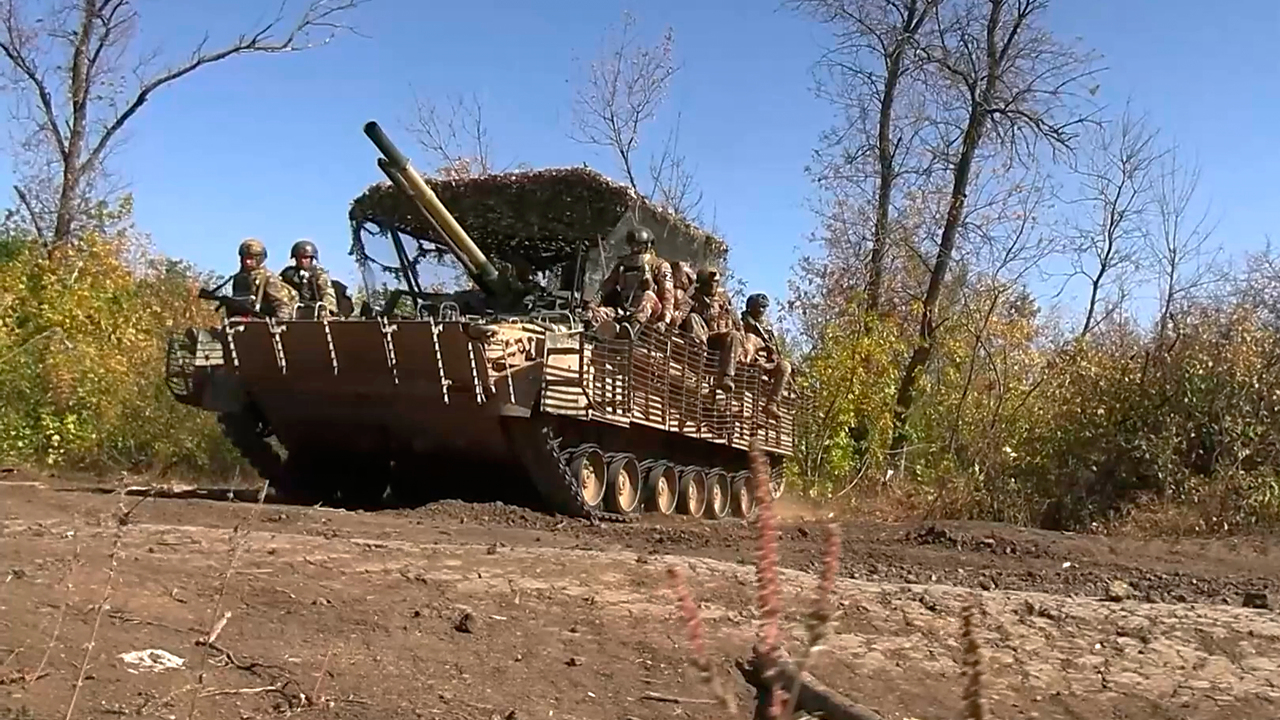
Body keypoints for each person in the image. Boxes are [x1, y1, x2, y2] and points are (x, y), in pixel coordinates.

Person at [586, 225, 675, 337]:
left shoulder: (659, 265)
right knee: (599, 313)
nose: (634, 249)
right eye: (632, 245)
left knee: (648, 296)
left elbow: (668, 295)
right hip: (624, 309)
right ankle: (595, 333)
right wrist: (592, 306)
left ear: (647, 246)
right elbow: (606, 287)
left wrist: (665, 321)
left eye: (638, 246)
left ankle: (631, 333)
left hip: (650, 315)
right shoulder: (622, 265)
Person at [682, 267, 744, 396]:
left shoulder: (724, 299)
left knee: (734, 335)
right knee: (692, 318)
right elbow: (680, 314)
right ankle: (700, 361)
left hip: (721, 341)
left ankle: (727, 377)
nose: (712, 286)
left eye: (715, 283)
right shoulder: (693, 297)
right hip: (704, 338)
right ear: (702, 284)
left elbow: (738, 325)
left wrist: (742, 347)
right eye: (709, 284)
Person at [741, 292, 792, 417]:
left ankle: (771, 404)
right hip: (749, 366)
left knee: (785, 366)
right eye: (760, 307)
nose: (762, 311)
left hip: (766, 366)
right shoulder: (742, 326)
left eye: (764, 308)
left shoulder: (766, 331)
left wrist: (774, 358)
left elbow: (773, 352)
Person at [230, 238, 297, 320]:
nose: (247, 262)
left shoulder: (268, 278)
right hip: (242, 320)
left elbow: (282, 306)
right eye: (245, 258)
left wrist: (277, 322)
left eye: (251, 258)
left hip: (262, 323)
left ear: (259, 259)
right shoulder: (238, 279)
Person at [279, 239, 338, 317]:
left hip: (316, 310)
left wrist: (328, 309)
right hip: (292, 310)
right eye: (300, 258)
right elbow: (277, 289)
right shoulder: (287, 274)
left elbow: (327, 292)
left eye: (306, 258)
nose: (303, 261)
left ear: (312, 259)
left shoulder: (319, 274)